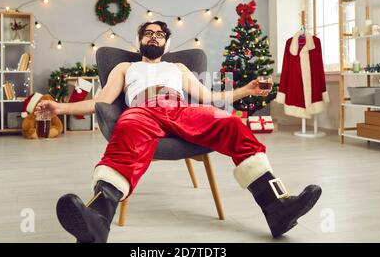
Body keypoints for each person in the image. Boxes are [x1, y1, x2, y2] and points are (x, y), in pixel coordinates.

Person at [37, 21, 322, 243]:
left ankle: (278, 209)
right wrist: (59, 108)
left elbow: (208, 97)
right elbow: (102, 101)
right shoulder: (126, 67)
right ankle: (97, 220)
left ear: (166, 42)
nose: (153, 37)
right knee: (128, 126)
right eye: (147, 33)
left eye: (159, 34)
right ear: (139, 41)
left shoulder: (178, 67)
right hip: (142, 110)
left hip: (181, 110)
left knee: (231, 123)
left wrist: (246, 90)